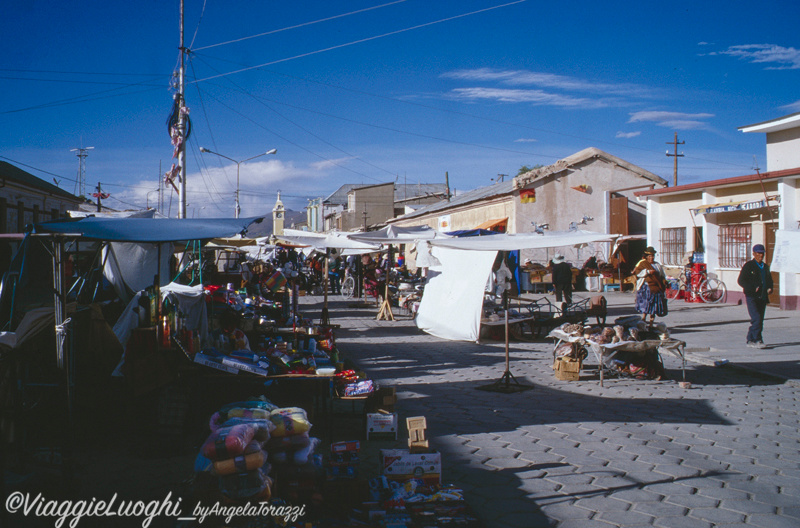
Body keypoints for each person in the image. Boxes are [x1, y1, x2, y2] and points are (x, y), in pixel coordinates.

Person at [737, 244, 773, 349]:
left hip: (762, 296)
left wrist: (770, 288)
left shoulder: (765, 267)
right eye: (758, 253)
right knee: (756, 318)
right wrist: (752, 287)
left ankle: (750, 339)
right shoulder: (749, 266)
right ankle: (757, 339)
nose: (760, 256)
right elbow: (741, 280)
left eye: (762, 254)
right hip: (751, 296)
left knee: (760, 319)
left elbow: (770, 280)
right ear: (754, 254)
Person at [631, 246, 668, 328]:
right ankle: (643, 320)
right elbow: (638, 273)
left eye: (653, 256)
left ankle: (651, 323)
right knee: (646, 306)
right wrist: (647, 271)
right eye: (650, 256)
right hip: (646, 288)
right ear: (646, 257)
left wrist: (664, 282)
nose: (651, 257)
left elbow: (662, 275)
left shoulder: (657, 265)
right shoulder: (643, 264)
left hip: (656, 289)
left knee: (654, 307)